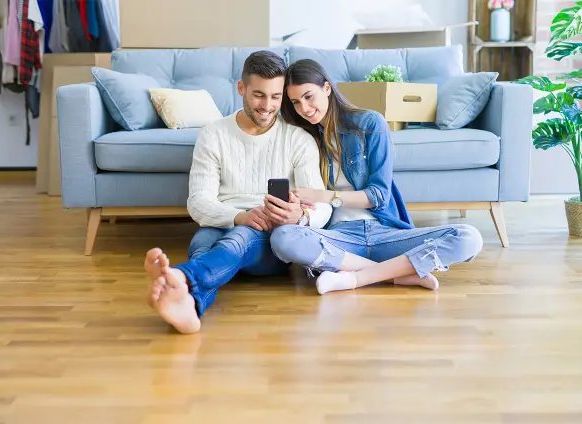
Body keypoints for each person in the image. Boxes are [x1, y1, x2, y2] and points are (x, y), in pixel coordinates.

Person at [143, 51, 333, 334]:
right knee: (202, 244)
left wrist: (301, 215)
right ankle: (190, 307)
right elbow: (198, 203)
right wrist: (240, 216)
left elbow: (323, 205)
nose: (267, 106)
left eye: (276, 96)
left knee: (240, 239)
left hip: (267, 243)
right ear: (241, 88)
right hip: (227, 222)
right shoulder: (214, 134)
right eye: (258, 95)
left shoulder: (297, 139)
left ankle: (181, 277)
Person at [269, 59, 484, 295]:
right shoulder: (306, 139)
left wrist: (325, 196)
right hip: (339, 238)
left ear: (327, 88)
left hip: (385, 232)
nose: (304, 109)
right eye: (296, 102)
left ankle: (353, 279)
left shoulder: (370, 124)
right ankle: (398, 275)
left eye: (309, 96)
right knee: (283, 237)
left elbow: (379, 196)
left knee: (468, 237)